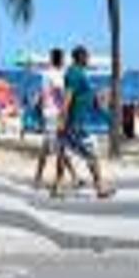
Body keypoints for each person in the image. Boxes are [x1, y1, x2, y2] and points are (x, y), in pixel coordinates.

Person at [56, 46, 114, 199]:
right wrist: (62, 119)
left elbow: (84, 96)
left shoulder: (78, 73)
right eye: (87, 56)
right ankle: (100, 188)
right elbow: (67, 97)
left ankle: (57, 187)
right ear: (81, 57)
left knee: (64, 152)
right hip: (75, 122)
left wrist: (98, 103)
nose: (89, 59)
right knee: (91, 155)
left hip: (77, 121)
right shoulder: (74, 73)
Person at [34, 48, 79, 189]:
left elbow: (43, 94)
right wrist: (69, 106)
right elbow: (61, 93)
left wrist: (39, 109)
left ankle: (38, 178)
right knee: (60, 147)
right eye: (63, 58)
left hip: (48, 112)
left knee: (47, 146)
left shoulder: (45, 74)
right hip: (55, 114)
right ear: (60, 59)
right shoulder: (55, 75)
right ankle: (68, 179)